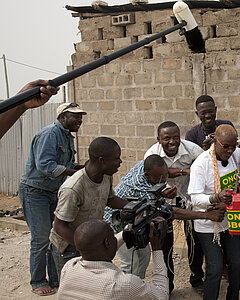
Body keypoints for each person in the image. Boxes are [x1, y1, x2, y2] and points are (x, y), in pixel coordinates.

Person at [103, 154, 225, 292]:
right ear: (147, 175)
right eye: (159, 179)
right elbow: (171, 211)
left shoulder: (146, 164)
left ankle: (137, 287)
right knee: (130, 264)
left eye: (165, 175)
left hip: (137, 223)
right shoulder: (142, 188)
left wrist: (165, 188)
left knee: (143, 258)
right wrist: (206, 215)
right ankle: (128, 292)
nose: (164, 180)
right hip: (118, 225)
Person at [18, 101, 86, 296]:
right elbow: (45, 165)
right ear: (62, 117)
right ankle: (38, 280)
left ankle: (56, 278)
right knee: (40, 238)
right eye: (75, 116)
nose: (79, 120)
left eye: (80, 116)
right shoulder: (49, 134)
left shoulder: (67, 137)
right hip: (35, 192)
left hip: (51, 192)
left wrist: (82, 168)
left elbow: (65, 162)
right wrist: (72, 171)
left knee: (54, 237)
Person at [188, 124, 240, 300]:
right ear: (215, 142)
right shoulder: (201, 164)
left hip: (230, 219)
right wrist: (216, 197)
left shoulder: (236, 155)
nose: (230, 150)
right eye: (226, 146)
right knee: (215, 268)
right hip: (208, 224)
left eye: (233, 146)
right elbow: (195, 198)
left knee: (237, 264)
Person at [49, 137, 129, 278]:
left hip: (89, 245)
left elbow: (110, 199)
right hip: (69, 247)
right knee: (74, 290)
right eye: (116, 158)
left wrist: (133, 206)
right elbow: (59, 226)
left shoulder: (105, 176)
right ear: (101, 160)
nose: (120, 162)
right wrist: (86, 250)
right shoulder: (73, 188)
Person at [144, 121, 206, 291]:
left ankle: (197, 278)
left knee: (194, 240)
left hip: (187, 199)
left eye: (175, 138)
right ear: (158, 139)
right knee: (165, 244)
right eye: (167, 138)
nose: (172, 142)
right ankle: (168, 285)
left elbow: (204, 166)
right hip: (163, 202)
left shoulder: (192, 149)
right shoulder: (151, 154)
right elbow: (149, 179)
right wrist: (183, 172)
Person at [57, 219, 169, 300]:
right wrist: (156, 248)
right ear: (107, 243)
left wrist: (128, 230)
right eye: (112, 235)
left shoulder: (69, 266)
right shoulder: (123, 284)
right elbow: (162, 294)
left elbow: (101, 248)